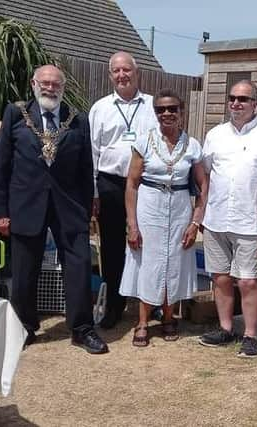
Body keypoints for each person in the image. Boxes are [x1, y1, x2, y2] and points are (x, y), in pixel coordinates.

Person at [0, 64, 108, 354]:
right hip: (25, 204)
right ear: (34, 83)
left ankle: (81, 328)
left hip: (69, 206)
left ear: (63, 87)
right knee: (24, 270)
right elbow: (1, 166)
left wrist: (86, 205)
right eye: (45, 83)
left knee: (79, 266)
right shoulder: (16, 115)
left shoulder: (77, 119)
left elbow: (85, 167)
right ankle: (25, 327)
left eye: (56, 84)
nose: (50, 88)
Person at [198, 80, 257, 358]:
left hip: (250, 220)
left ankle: (249, 335)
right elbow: (205, 174)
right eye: (232, 98)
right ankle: (226, 329)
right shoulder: (215, 134)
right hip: (216, 219)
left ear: (255, 105)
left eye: (243, 99)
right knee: (221, 278)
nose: (236, 103)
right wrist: (201, 211)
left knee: (248, 281)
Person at [119, 89, 207, 346]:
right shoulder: (144, 142)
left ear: (181, 112)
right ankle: (143, 321)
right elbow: (132, 185)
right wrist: (132, 224)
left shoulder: (192, 145)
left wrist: (195, 223)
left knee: (175, 260)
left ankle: (169, 317)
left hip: (180, 206)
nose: (167, 113)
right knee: (149, 260)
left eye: (172, 109)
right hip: (150, 205)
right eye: (161, 109)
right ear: (155, 113)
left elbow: (203, 186)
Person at [88, 51, 158, 329]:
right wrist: (93, 192)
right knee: (113, 248)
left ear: (136, 72)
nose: (121, 75)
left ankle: (147, 304)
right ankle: (114, 307)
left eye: (126, 70)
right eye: (116, 71)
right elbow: (92, 151)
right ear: (110, 76)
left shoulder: (153, 105)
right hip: (109, 184)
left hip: (145, 184)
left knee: (146, 245)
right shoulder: (100, 108)